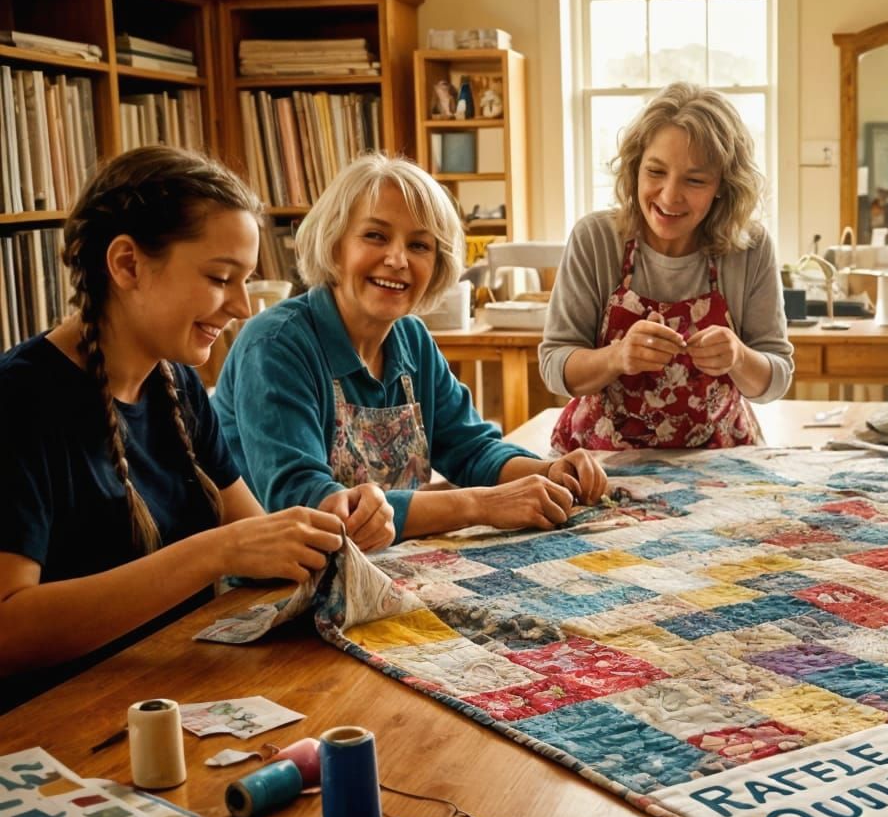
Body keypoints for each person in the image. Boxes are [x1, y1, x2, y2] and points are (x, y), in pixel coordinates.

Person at [0, 147, 348, 710]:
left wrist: (326, 527)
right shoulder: (19, 400)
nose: (240, 306)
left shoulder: (177, 385)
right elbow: (7, 631)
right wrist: (214, 554)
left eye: (246, 281)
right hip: (55, 724)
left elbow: (256, 542)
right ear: (127, 264)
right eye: (220, 277)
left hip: (173, 692)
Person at [214, 153, 606, 543]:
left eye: (420, 245)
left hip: (387, 565)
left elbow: (470, 449)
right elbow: (308, 505)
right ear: (334, 244)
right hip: (275, 587)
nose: (398, 259)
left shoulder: (412, 339)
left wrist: (547, 472)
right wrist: (479, 505)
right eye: (375, 236)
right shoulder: (276, 345)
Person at [539, 82, 793, 451]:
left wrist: (738, 357)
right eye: (655, 172)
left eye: (694, 180)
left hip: (720, 461)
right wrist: (616, 357)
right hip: (603, 460)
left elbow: (776, 379)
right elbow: (555, 366)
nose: (670, 195)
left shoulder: (750, 248)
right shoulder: (595, 239)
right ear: (635, 168)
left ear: (723, 185)